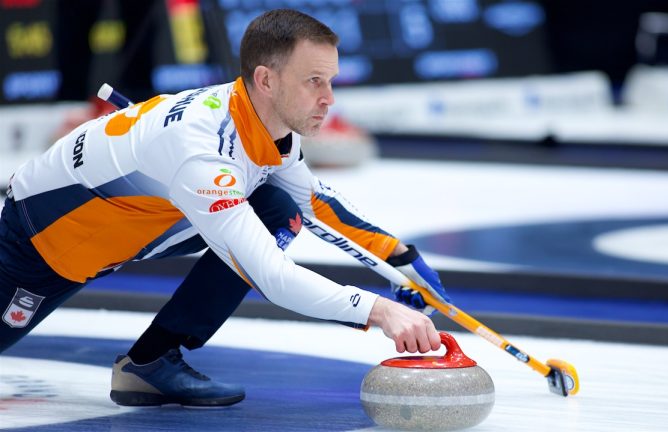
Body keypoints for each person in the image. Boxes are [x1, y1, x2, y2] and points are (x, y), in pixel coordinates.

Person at [0, 9, 451, 408]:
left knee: (275, 206)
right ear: (266, 79)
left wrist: (399, 257)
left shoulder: (261, 121)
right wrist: (382, 311)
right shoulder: (204, 153)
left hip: (130, 226)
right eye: (314, 81)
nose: (329, 98)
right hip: (44, 241)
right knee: (257, 229)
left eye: (330, 80)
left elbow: (312, 202)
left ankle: (152, 362)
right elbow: (271, 276)